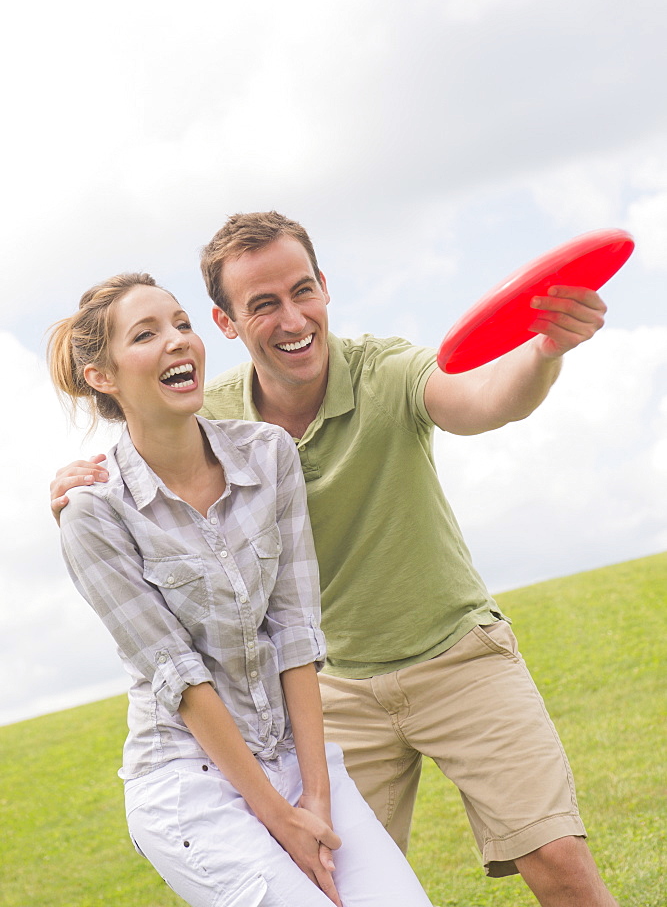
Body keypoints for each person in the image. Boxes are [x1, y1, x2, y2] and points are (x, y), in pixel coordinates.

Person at [51, 213, 618, 907]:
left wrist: (541, 352)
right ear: (225, 323)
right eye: (262, 304)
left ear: (324, 287)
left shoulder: (380, 370)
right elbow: (140, 462)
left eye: (302, 291)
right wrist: (77, 487)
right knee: (337, 887)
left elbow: (479, 401)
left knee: (558, 861)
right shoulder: (212, 417)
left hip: (456, 657)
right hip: (329, 692)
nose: (292, 319)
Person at [48, 272, 433, 907]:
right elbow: (180, 678)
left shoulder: (268, 454)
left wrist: (314, 794)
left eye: (181, 324)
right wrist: (279, 820)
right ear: (103, 377)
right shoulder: (93, 513)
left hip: (294, 759)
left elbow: (296, 629)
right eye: (147, 335)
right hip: (188, 783)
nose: (178, 342)